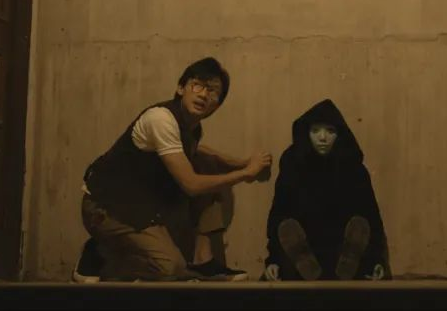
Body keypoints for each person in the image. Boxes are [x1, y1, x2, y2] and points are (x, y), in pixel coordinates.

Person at [74, 57, 272, 282]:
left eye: (212, 91)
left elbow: (200, 153)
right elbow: (191, 185)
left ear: (217, 104)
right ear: (180, 88)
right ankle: (100, 255)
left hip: (141, 206)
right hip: (106, 206)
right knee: (170, 269)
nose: (203, 94)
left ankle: (202, 260)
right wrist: (245, 173)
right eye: (197, 85)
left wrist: (243, 162)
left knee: (206, 165)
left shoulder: (192, 128)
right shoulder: (161, 119)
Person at [262, 99, 390, 281]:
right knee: (289, 230)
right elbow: (279, 214)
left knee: (359, 228)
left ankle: (348, 266)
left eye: (330, 131)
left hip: (341, 248)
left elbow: (370, 215)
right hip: (305, 248)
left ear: (340, 134)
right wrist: (274, 260)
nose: (323, 137)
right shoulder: (293, 164)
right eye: (315, 131)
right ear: (306, 133)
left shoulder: (353, 167)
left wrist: (377, 260)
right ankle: (308, 266)